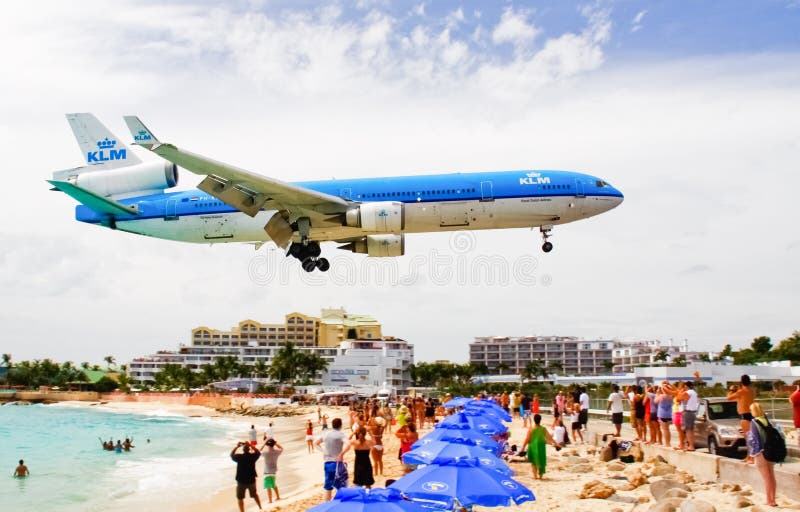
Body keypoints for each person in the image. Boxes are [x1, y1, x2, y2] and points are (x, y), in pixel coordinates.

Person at [746, 402, 782, 507]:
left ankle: (769, 500)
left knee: (766, 478)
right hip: (771, 450)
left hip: (760, 452)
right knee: (771, 476)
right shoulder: (767, 420)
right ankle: (773, 500)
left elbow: (754, 440)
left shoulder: (754, 422)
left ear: (753, 411)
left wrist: (753, 454)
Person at [315, 417, 350, 501]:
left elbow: (315, 443)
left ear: (332, 425)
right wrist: (341, 454)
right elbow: (348, 444)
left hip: (327, 463)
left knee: (328, 487)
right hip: (338, 463)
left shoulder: (326, 434)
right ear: (340, 425)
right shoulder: (341, 434)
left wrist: (323, 451)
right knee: (342, 487)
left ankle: (327, 506)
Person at [728, 375, 756, 463]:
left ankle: (751, 457)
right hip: (751, 413)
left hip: (744, 415)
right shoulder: (751, 391)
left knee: (748, 437)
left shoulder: (742, 391)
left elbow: (729, 397)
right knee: (749, 436)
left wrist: (731, 390)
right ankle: (749, 456)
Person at [230, 441, 263, 512]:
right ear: (249, 449)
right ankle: (260, 507)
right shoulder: (252, 457)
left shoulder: (239, 457)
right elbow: (258, 453)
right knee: (254, 495)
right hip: (251, 480)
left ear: (243, 450)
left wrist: (237, 446)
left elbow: (231, 455)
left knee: (240, 498)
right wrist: (251, 445)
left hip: (241, 481)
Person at [522, 413, 554, 480]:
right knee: (541, 459)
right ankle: (541, 476)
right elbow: (549, 437)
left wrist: (523, 448)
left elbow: (527, 439)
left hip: (533, 446)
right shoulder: (543, 429)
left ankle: (535, 476)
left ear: (534, 420)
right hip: (541, 446)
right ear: (540, 420)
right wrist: (556, 444)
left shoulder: (531, 428)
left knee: (534, 461)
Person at [259, 438, 282, 503]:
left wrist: (263, 444)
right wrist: (276, 443)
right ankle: (277, 496)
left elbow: (258, 451)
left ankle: (270, 500)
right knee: (273, 484)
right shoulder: (277, 452)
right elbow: (281, 448)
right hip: (274, 470)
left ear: (267, 445)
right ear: (273, 445)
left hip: (267, 471)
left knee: (268, 486)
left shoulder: (265, 453)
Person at [681, 381, 699, 451]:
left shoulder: (689, 392)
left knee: (688, 430)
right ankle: (690, 445)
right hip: (692, 412)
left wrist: (680, 392)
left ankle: (691, 446)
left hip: (688, 412)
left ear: (686, 386)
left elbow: (680, 398)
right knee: (691, 430)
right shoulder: (694, 392)